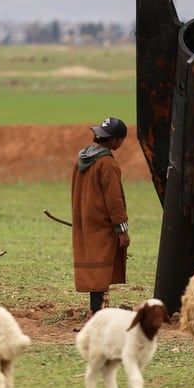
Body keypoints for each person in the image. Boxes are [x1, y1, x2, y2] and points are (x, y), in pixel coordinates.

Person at [70, 117, 130, 318]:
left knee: (94, 268)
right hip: (102, 226)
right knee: (102, 271)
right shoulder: (107, 164)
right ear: (115, 141)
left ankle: (96, 310)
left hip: (85, 222)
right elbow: (115, 201)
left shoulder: (81, 160)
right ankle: (100, 315)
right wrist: (122, 230)